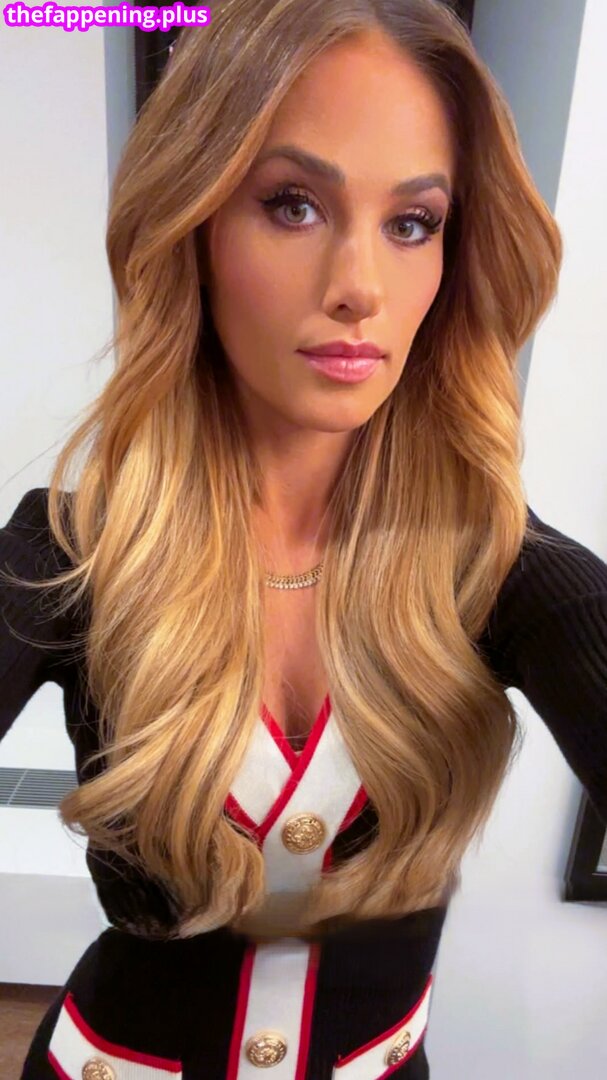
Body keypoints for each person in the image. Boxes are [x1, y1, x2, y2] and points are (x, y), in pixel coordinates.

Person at [1, 1, 606, 1077]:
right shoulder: (65, 555)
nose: (359, 288)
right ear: (191, 226)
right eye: (291, 205)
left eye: (411, 223)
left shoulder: (508, 574)